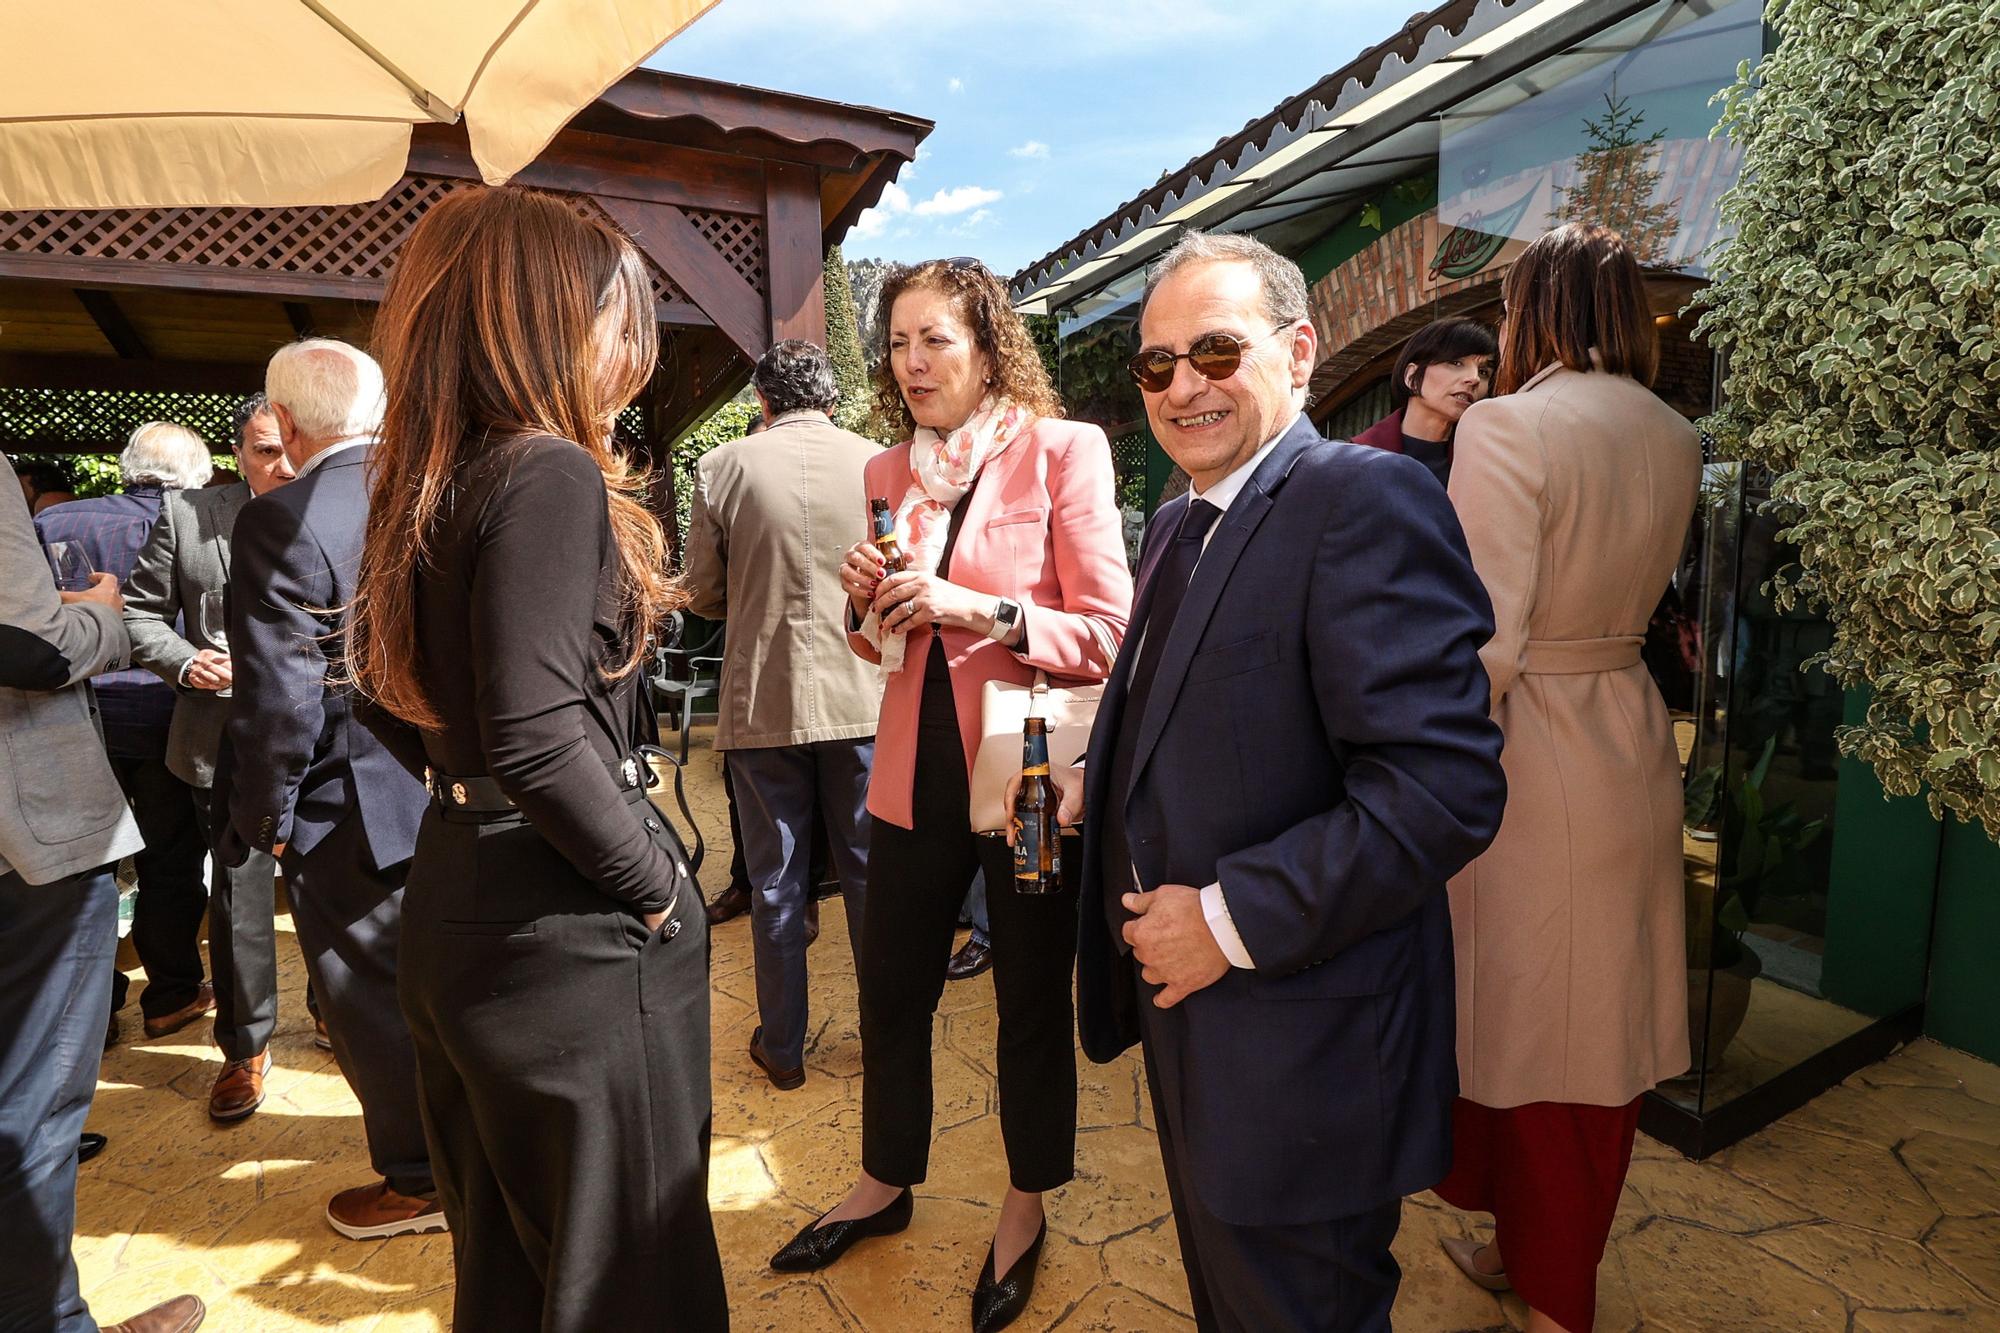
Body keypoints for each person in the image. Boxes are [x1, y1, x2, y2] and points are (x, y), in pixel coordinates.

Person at [1060, 231, 1507, 1331]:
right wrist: (1103, 774)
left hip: (1303, 1053)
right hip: (1200, 1033)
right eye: (1154, 365)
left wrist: (1225, 917)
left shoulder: (1364, 499)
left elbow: (1440, 787)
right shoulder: (1176, 520)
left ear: (1297, 353)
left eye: (1214, 352)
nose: (1181, 386)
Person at [348, 185, 727, 1331]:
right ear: (542, 315)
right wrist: (660, 890)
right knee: (630, 1279)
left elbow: (380, 691)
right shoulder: (543, 469)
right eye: (621, 314)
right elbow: (535, 731)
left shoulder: (426, 477)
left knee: (513, 1274)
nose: (634, 347)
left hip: (457, 899)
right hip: (571, 930)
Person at [769, 256, 1132, 1333]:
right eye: (896, 342)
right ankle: (885, 1179)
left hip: (1022, 773)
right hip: (907, 770)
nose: (913, 361)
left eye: (936, 339)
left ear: (987, 346)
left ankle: (1024, 1203)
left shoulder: (1064, 451)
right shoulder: (886, 468)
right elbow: (878, 637)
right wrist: (867, 602)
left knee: (1026, 990)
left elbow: (1109, 633)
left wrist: (979, 608)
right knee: (888, 983)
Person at [1433, 222, 1699, 1333]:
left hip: (1528, 752)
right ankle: (1521, 1252)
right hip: (1627, 736)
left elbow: (1479, 637)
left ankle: (1553, 1297)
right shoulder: (1673, 432)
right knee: (1596, 1029)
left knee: (1530, 1036)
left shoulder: (1505, 425)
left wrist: (1419, 768)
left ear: (1531, 310)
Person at [215, 340, 439, 1240]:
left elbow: (279, 700)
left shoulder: (279, 518)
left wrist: (266, 821)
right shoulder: (438, 487)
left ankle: (421, 1181)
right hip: (456, 793)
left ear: (292, 426)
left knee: (372, 1002)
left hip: (348, 807)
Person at [1, 457, 205, 1333]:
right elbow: (31, 648)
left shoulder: (64, 515)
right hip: (31, 820)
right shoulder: (190, 516)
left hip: (108, 743)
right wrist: (108, 621)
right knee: (36, 1102)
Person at [683, 338, 881, 1091]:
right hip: (863, 699)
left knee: (775, 879)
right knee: (868, 875)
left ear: (762, 402)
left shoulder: (722, 466)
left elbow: (702, 592)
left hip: (763, 701)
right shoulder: (877, 461)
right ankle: (883, 1037)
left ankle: (784, 1049)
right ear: (831, 398)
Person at [124, 394, 302, 1122]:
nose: (283, 465)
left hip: (325, 742)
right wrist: (185, 660)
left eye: (293, 447)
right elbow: (136, 613)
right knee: (238, 898)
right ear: (239, 454)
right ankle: (245, 1046)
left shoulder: (348, 506)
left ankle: (336, 1013)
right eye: (265, 450)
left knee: (335, 893)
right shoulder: (189, 516)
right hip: (218, 742)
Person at [35, 423, 216, 1046]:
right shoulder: (204, 521)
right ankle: (169, 995)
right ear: (198, 472)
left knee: (89, 867)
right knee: (171, 861)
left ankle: (94, 1012)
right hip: (171, 715)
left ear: (125, 466)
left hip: (77, 715)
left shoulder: (57, 524)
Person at [1352, 316, 1497, 486]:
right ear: (1412, 377)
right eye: (1456, 363)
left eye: (1483, 372)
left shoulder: (1484, 464)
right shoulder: (1357, 458)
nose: (1474, 379)